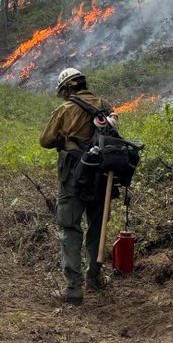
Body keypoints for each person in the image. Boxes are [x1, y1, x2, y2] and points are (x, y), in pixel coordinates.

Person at [39, 66, 114, 304]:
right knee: (97, 225)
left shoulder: (65, 109)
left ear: (68, 89)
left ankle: (73, 287)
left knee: (70, 227)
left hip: (73, 174)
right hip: (101, 174)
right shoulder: (104, 104)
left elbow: (45, 140)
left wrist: (65, 137)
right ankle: (95, 276)